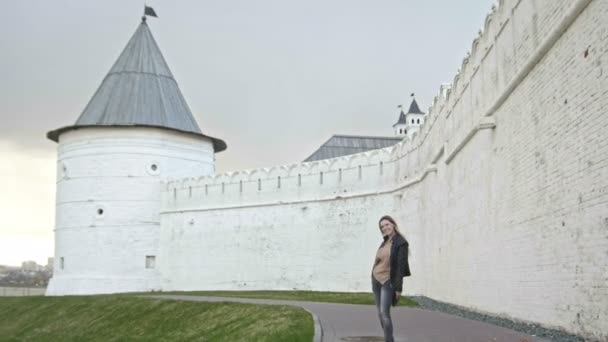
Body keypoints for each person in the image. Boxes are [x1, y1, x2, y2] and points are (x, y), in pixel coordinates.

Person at [371, 215, 411, 342]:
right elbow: (378, 261)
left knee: (385, 314)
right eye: (382, 227)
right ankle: (389, 338)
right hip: (376, 279)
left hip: (388, 281)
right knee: (379, 314)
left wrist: (398, 289)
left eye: (387, 225)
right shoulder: (384, 242)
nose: (384, 228)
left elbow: (400, 267)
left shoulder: (401, 243)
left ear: (393, 224)